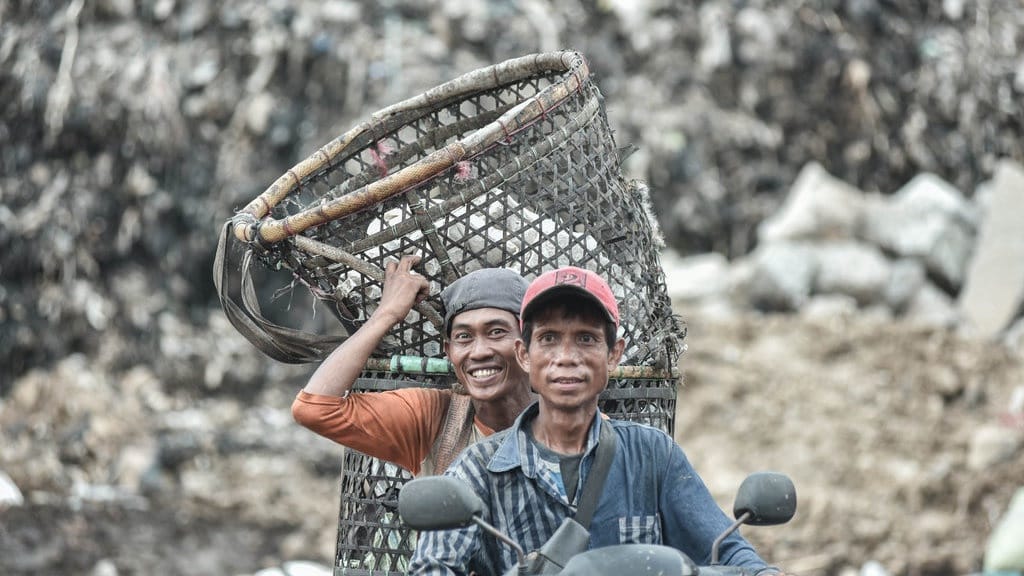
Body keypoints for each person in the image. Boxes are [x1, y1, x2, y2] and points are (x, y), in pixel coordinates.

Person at [409, 265, 784, 575]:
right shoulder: (478, 471)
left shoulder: (652, 454)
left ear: (613, 354)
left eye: (586, 339)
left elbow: (728, 550)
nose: (566, 356)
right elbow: (433, 567)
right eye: (549, 339)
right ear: (524, 354)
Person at [292, 254, 535, 476]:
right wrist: (387, 313)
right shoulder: (434, 418)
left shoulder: (556, 415)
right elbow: (315, 409)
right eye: (464, 337)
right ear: (449, 352)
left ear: (529, 343)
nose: (479, 351)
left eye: (496, 332)